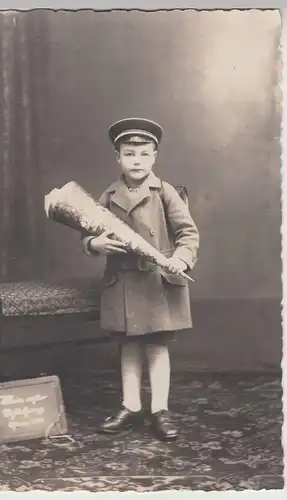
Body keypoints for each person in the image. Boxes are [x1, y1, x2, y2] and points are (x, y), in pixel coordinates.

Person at [82, 117, 199, 441]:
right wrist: (95, 243)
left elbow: (188, 234)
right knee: (129, 345)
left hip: (156, 282)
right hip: (122, 280)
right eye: (130, 153)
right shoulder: (108, 195)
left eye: (144, 154)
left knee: (157, 345)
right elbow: (87, 229)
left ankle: (159, 409)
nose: (137, 160)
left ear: (154, 157)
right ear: (117, 157)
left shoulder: (166, 193)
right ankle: (130, 406)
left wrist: (180, 258)